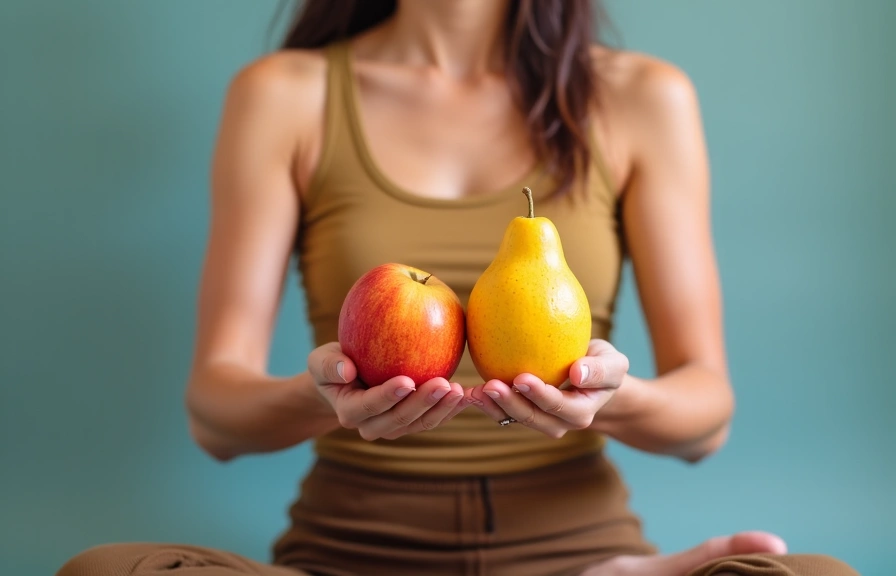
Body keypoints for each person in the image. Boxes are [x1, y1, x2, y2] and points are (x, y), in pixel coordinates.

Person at [58, 1, 858, 575]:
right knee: (99, 570)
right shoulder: (284, 94)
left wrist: (610, 396)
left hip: (579, 553)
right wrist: (326, 395)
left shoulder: (642, 97)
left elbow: (704, 418)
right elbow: (214, 417)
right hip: (347, 554)